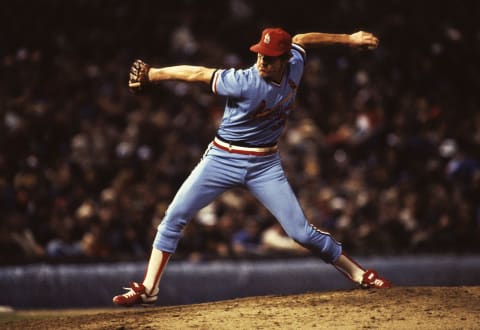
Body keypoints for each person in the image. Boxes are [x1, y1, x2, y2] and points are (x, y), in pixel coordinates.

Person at [113, 27, 390, 307]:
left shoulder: (295, 62)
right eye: (260, 55)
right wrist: (154, 74)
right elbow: (198, 74)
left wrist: (349, 39)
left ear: (285, 59)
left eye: (269, 58)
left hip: (264, 165)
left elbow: (302, 39)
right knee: (174, 216)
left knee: (301, 233)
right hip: (222, 158)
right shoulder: (243, 80)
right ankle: (149, 288)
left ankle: (360, 274)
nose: (261, 62)